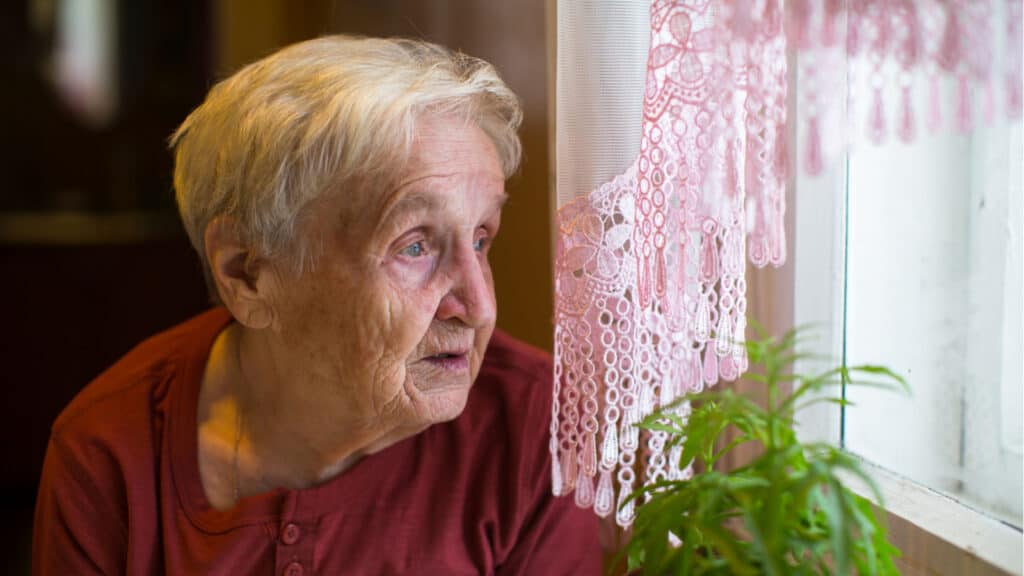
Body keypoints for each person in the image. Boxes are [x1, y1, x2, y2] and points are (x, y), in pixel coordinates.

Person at [32, 35, 601, 575]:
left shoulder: (537, 431)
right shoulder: (111, 455)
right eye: (415, 246)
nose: (477, 307)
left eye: (481, 238)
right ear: (247, 273)